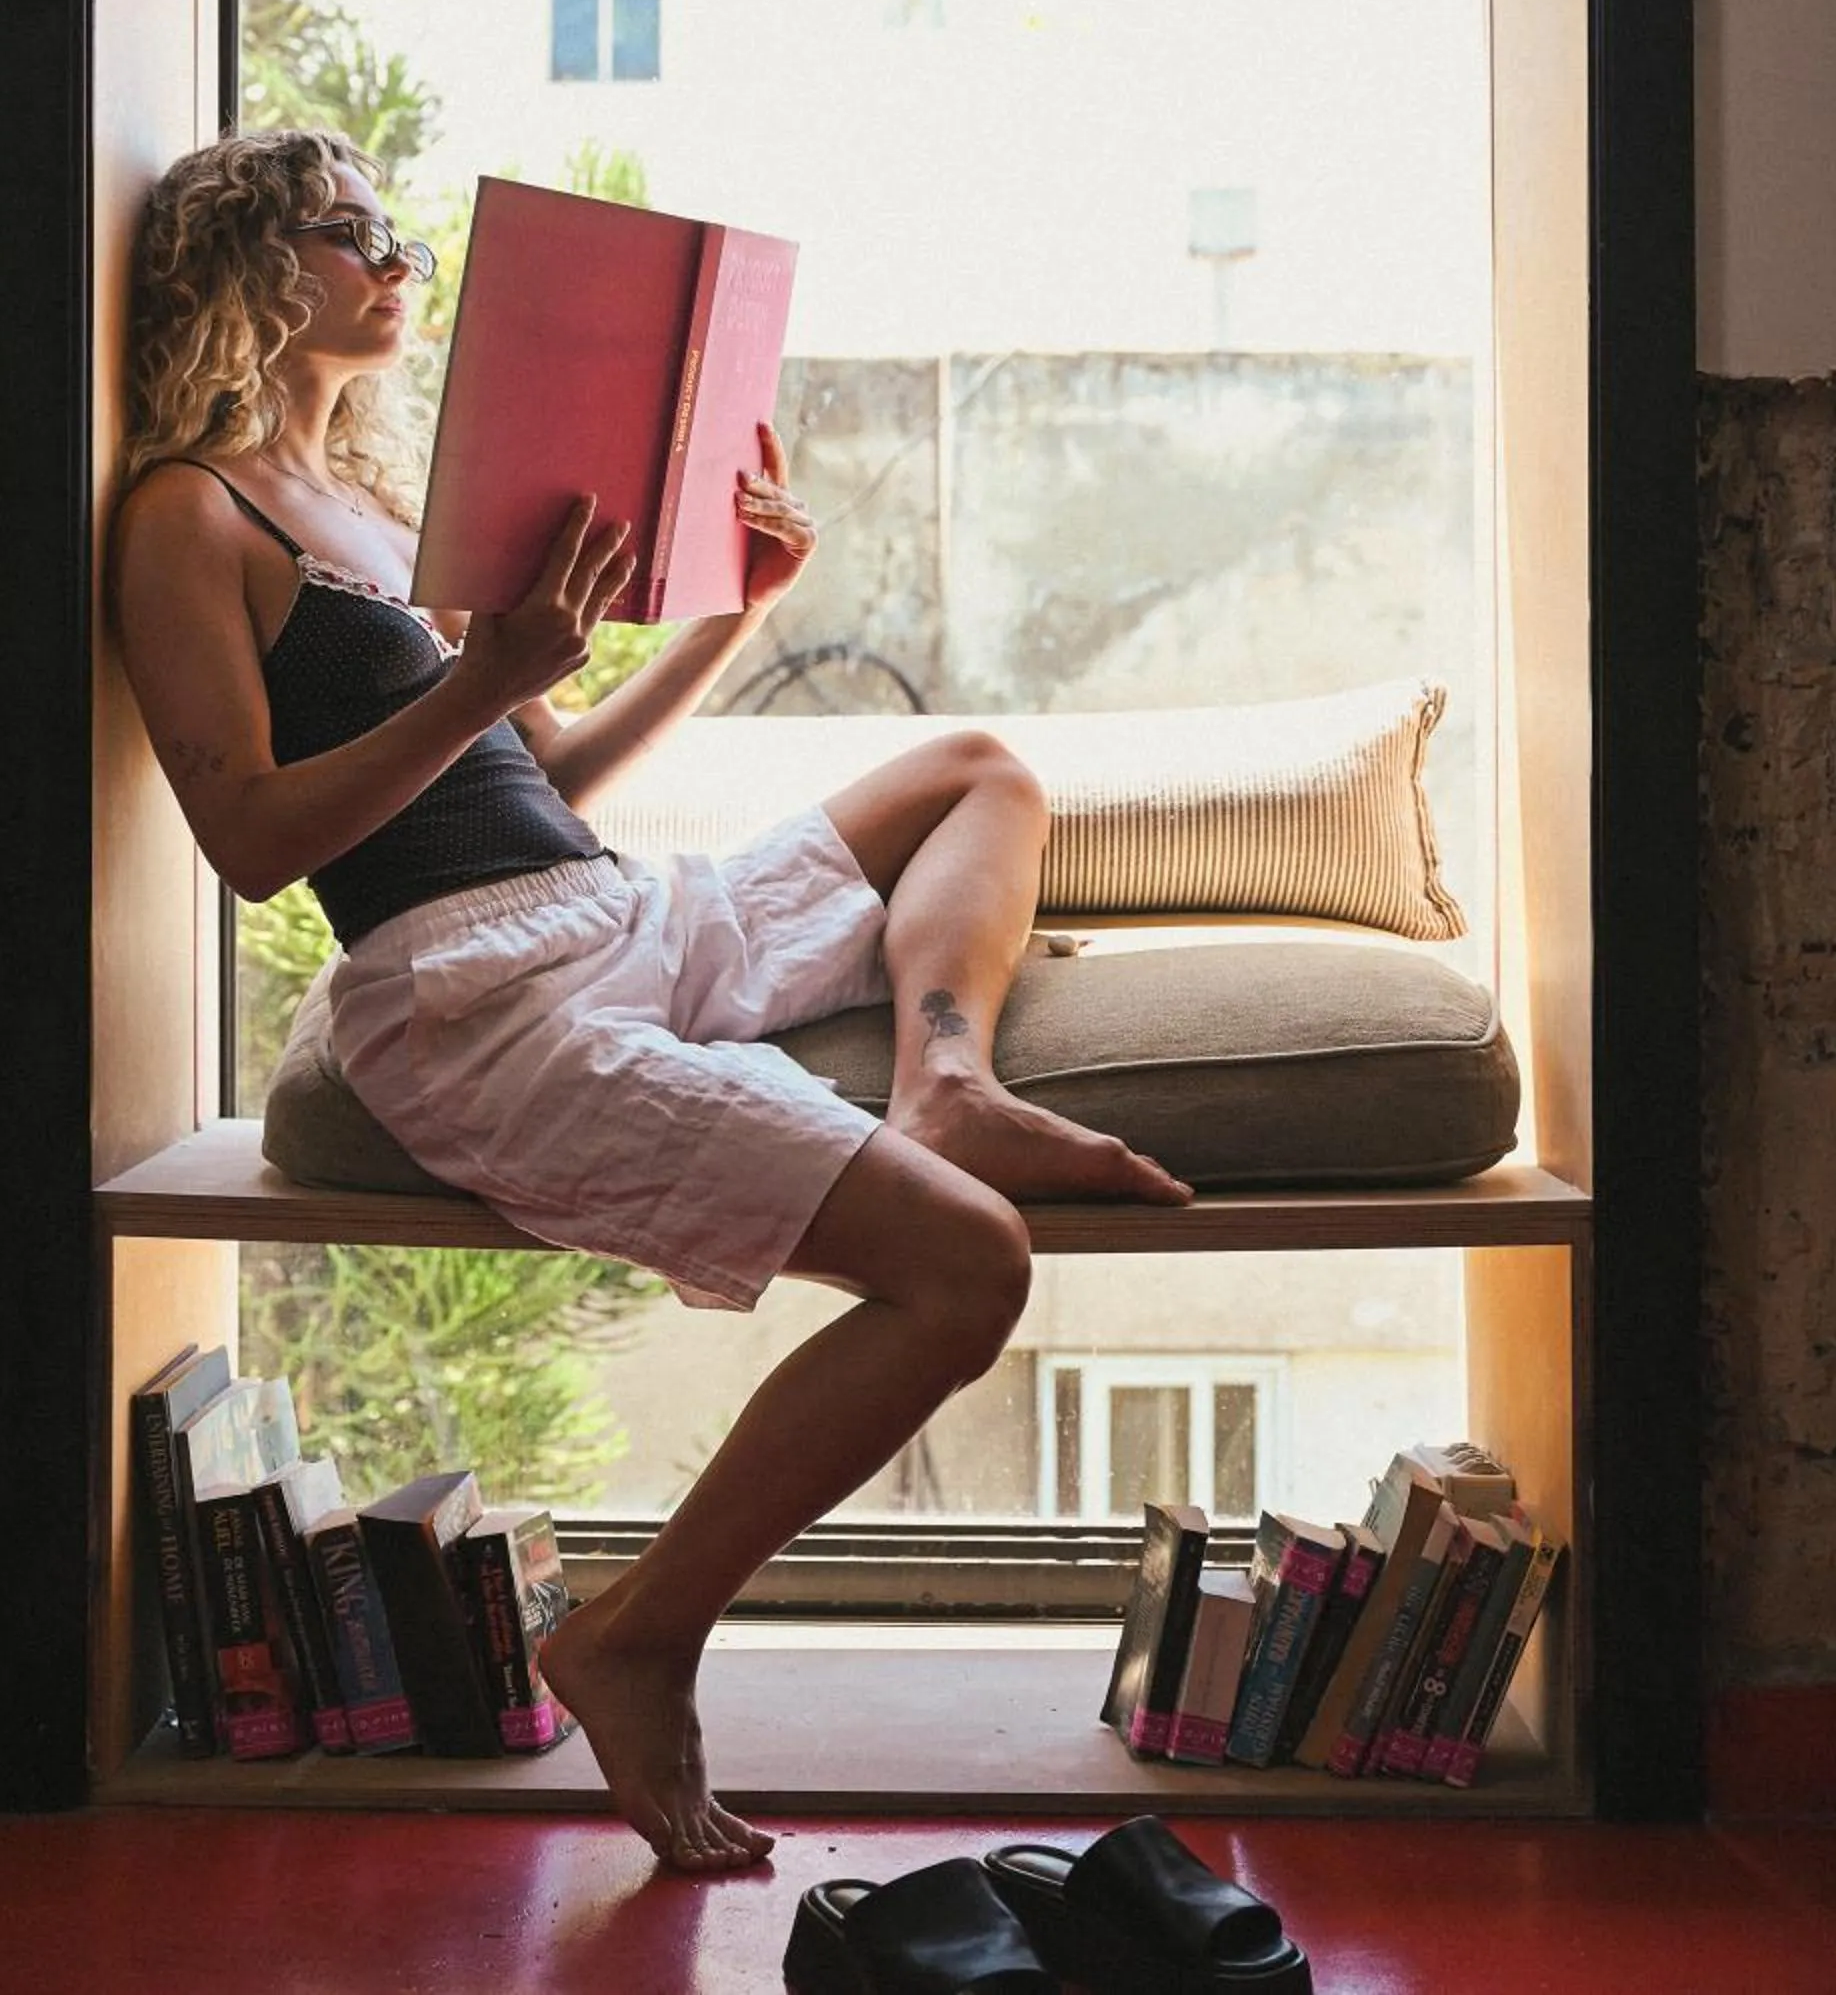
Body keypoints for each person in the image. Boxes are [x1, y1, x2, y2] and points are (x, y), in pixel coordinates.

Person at [111, 124, 1193, 1875]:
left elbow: (554, 770)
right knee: (968, 1265)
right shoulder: (189, 514)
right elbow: (247, 840)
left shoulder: (387, 510)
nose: (396, 262)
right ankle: (636, 1635)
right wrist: (479, 683)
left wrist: (725, 624)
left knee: (979, 769)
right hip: (473, 997)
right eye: (348, 232)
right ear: (247, 262)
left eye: (394, 235)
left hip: (615, 906)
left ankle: (946, 1077)